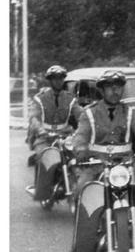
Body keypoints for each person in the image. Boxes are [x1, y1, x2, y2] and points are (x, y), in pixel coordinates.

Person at [70, 69, 135, 251]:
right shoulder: (89, 113)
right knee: (82, 190)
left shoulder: (131, 112)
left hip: (127, 164)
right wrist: (80, 150)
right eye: (110, 87)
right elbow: (80, 136)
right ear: (102, 90)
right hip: (96, 164)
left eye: (118, 87)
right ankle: (83, 242)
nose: (115, 91)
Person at [26, 65, 83, 197]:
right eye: (55, 79)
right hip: (45, 136)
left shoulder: (70, 98)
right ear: (50, 81)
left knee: (80, 156)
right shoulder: (40, 98)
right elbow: (34, 117)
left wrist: (88, 125)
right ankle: (42, 191)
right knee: (46, 156)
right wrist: (40, 130)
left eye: (61, 78)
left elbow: (81, 115)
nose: (58, 81)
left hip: (65, 135)